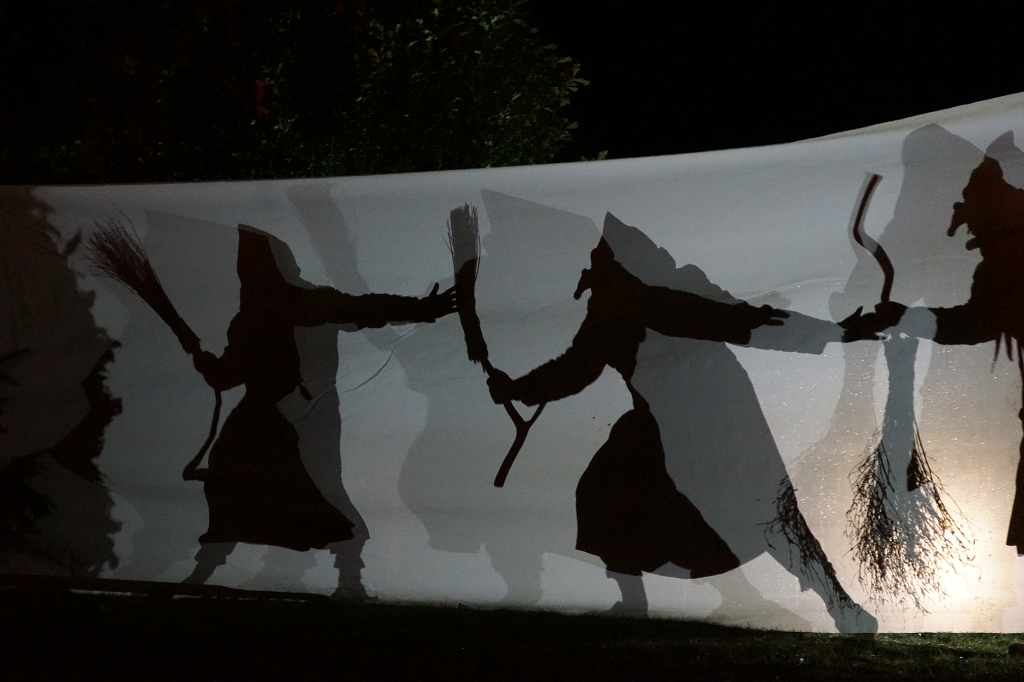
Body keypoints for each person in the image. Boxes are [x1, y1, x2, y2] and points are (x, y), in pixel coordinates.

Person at [486, 214, 884, 630]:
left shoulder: (656, 296)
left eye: (602, 256)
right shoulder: (612, 306)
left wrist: (833, 332)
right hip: (660, 424)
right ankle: (634, 603)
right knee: (606, 493)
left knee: (769, 515)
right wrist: (519, 389)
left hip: (721, 421)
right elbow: (577, 367)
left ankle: (841, 605)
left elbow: (743, 321)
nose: (594, 263)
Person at [183, 225, 456, 586]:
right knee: (231, 480)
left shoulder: (299, 304)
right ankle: (211, 568)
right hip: (265, 415)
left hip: (304, 414)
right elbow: (229, 375)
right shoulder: (258, 314)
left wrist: (422, 309)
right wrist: (207, 364)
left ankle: (349, 577)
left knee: (319, 486)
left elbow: (365, 307)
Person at [872, 150, 1024, 553]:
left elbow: (974, 324)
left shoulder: (1008, 263)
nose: (967, 227)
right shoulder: (1005, 257)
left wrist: (905, 318)